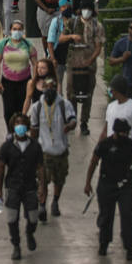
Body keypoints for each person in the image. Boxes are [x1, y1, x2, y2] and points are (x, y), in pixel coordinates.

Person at [85, 118, 132, 259]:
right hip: (107, 185)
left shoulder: (130, 144)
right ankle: (103, 244)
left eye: (126, 132)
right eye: (122, 132)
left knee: (127, 216)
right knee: (106, 216)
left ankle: (131, 249)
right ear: (115, 132)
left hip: (126, 185)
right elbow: (93, 162)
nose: (125, 135)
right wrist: (88, 183)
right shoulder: (104, 145)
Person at [0, 113, 47, 261]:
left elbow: (40, 168)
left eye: (23, 123)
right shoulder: (6, 147)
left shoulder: (35, 146)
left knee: (33, 218)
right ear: (13, 126)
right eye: (17, 123)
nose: (20, 126)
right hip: (12, 187)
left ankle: (30, 233)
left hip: (30, 187)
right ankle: (16, 246)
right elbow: (0, 169)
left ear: (28, 126)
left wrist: (42, 188)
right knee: (12, 219)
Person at [29, 76, 76, 216]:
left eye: (52, 87)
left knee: (60, 179)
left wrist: (70, 126)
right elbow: (34, 130)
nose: (49, 90)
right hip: (44, 151)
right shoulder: (37, 107)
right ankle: (42, 205)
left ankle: (55, 201)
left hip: (61, 150)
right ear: (43, 89)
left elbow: (73, 120)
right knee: (43, 180)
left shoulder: (64, 104)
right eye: (46, 87)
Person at [67, 0, 105, 134]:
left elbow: (98, 46)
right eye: (84, 8)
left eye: (88, 9)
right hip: (73, 63)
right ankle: (72, 119)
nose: (86, 12)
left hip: (89, 64)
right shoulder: (73, 23)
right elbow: (61, 38)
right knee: (71, 92)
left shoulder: (97, 26)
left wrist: (90, 60)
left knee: (88, 92)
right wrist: (71, 37)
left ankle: (84, 122)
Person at [0, 18, 37, 125]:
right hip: (7, 82)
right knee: (8, 110)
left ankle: (19, 131)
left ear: (22, 31)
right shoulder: (3, 44)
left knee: (21, 109)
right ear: (10, 30)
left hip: (24, 82)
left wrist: (34, 80)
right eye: (14, 29)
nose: (17, 31)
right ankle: (10, 131)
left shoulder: (28, 44)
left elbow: (35, 63)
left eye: (19, 29)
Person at [103, 76, 132, 154]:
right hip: (111, 153)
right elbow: (105, 131)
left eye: (111, 89)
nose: (110, 91)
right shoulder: (110, 107)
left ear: (116, 90)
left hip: (127, 153)